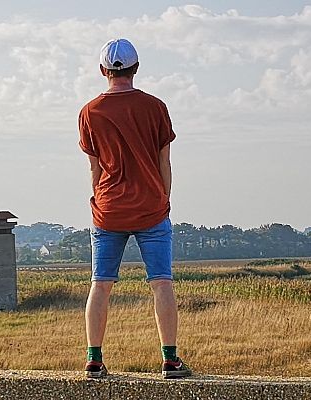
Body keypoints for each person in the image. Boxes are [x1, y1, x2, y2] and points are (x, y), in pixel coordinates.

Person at [79, 38, 191, 379]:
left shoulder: (90, 112)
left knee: (101, 284)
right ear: (136, 68)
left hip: (109, 209)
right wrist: (163, 200)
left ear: (103, 71)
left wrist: (98, 200)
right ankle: (170, 359)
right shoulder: (155, 107)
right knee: (162, 283)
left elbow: (95, 169)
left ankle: (94, 360)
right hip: (151, 209)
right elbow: (164, 163)